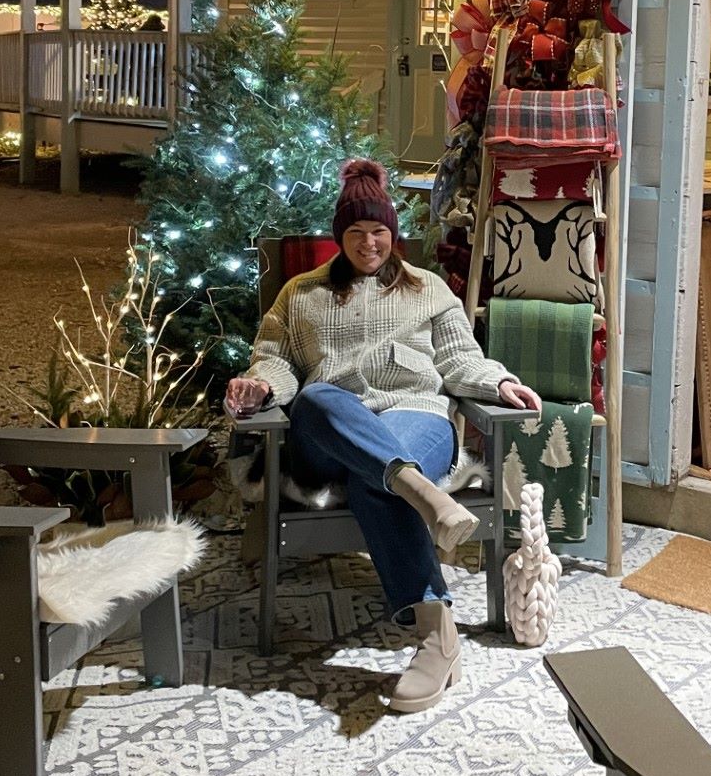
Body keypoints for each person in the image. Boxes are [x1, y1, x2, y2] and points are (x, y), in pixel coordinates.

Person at [226, 159, 541, 713]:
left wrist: (500, 382)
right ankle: (424, 494)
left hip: (416, 417)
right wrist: (258, 387)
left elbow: (460, 360)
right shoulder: (301, 294)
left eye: (379, 232)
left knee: (377, 478)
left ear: (392, 234)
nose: (369, 244)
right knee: (319, 399)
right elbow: (275, 363)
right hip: (326, 435)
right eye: (355, 233)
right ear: (339, 237)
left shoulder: (429, 289)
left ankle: (437, 636)